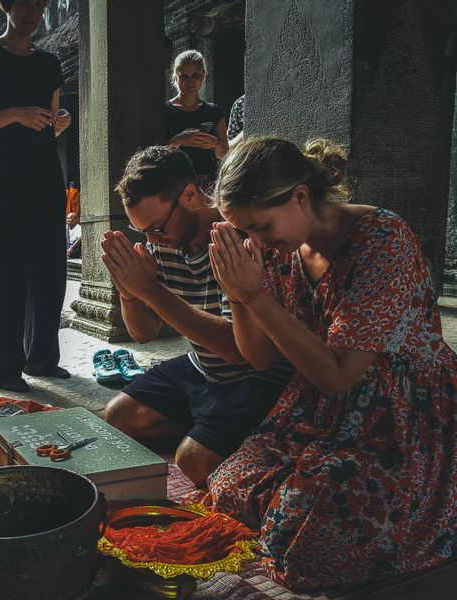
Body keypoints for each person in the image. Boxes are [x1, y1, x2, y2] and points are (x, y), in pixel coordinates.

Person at [206, 136, 457, 588]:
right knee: (228, 483)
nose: (255, 242)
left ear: (300, 197)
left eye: (261, 226)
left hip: (401, 415)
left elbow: (340, 375)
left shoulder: (382, 239)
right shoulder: (282, 249)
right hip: (319, 410)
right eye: (244, 232)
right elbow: (259, 357)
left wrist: (254, 294)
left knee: (308, 536)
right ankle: (291, 505)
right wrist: (238, 295)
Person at [101, 146, 291, 485]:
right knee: (116, 416)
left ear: (189, 194)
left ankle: (229, 432)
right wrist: (129, 293)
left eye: (157, 226)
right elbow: (143, 332)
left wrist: (151, 291)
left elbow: (237, 348)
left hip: (254, 376)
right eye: (141, 231)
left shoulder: (234, 238)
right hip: (201, 367)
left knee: (194, 461)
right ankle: (208, 421)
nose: (152, 239)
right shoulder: (162, 243)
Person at [0, 0, 72, 393]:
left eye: (39, 5)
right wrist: (16, 113)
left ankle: (42, 357)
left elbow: (51, 124)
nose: (32, 11)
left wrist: (60, 121)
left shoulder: (49, 62)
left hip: (44, 168)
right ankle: (1, 367)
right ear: (7, 6)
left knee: (49, 264)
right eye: (23, 4)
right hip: (6, 169)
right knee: (7, 266)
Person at [165, 50, 228, 192]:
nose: (190, 82)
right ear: (175, 77)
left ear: (203, 75)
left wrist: (214, 143)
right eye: (184, 77)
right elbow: (152, 154)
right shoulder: (164, 112)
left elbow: (224, 153)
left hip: (206, 185)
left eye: (195, 75)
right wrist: (178, 140)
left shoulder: (213, 112)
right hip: (172, 183)